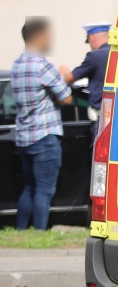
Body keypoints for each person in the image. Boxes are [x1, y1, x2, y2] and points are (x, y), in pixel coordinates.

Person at [11, 18, 71, 231]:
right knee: (44, 190)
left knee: (29, 188)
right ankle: (40, 235)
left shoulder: (17, 64)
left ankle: (20, 231)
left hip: (24, 137)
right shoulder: (42, 65)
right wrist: (64, 76)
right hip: (45, 136)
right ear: (38, 37)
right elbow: (67, 98)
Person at [69, 23, 111, 134]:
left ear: (91, 39)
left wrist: (63, 72)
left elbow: (70, 78)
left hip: (101, 117)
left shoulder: (94, 56)